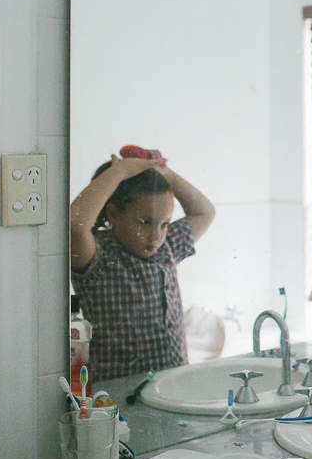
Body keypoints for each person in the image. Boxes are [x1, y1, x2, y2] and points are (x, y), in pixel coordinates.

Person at [70, 148, 216, 382]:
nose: (155, 236)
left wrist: (164, 173)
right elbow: (76, 225)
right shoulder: (99, 257)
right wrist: (119, 172)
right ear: (114, 214)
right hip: (121, 394)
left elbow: (205, 212)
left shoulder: (167, 246)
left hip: (173, 384)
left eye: (164, 224)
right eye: (145, 222)